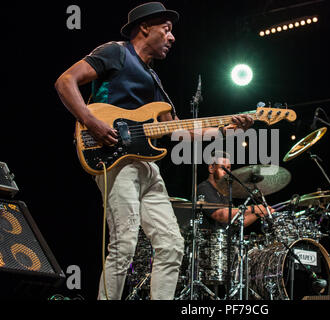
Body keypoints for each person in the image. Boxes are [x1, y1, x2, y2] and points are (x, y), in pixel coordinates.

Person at [54, 2, 253, 300]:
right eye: (167, 29)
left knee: (172, 245)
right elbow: (65, 80)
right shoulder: (116, 52)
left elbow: (179, 130)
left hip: (147, 167)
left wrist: (228, 130)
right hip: (114, 160)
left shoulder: (155, 80)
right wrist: (91, 121)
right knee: (123, 244)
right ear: (145, 27)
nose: (172, 37)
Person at [197, 151, 274, 230]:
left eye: (228, 168)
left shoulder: (224, 192)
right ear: (211, 168)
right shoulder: (203, 188)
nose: (226, 172)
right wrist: (253, 209)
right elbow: (220, 215)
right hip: (210, 241)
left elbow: (237, 222)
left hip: (226, 240)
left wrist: (258, 213)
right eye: (222, 167)